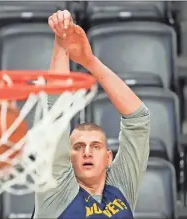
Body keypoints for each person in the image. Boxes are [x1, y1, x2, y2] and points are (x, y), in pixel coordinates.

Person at [33, 10, 151, 219]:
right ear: (68, 159)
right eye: (78, 147)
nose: (87, 152)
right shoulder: (56, 193)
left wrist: (89, 61)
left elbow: (138, 119)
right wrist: (62, 40)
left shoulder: (121, 186)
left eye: (95, 146)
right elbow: (56, 111)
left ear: (108, 158)